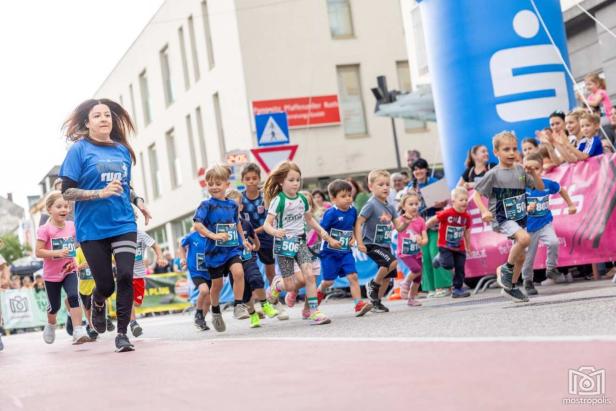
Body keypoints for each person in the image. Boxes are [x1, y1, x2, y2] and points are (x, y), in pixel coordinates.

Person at [60, 98, 151, 352]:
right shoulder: (79, 150)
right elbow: (66, 192)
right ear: (87, 123)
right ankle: (99, 299)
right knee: (106, 285)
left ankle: (122, 334)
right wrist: (98, 194)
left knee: (125, 275)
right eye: (97, 115)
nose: (104, 119)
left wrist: (138, 201)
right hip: (92, 229)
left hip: (123, 222)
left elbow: (125, 185)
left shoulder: (121, 150)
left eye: (107, 115)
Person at [473, 131, 544, 303]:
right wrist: (484, 211)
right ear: (496, 152)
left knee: (521, 255)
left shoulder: (521, 170)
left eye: (514, 149)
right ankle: (506, 269)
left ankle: (510, 286)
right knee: (525, 239)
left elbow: (540, 188)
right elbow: (476, 194)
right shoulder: (493, 174)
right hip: (501, 216)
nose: (512, 153)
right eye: (506, 149)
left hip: (519, 216)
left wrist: (533, 173)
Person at [263, 161, 332, 325]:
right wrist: (275, 232)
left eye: (298, 180)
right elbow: (266, 224)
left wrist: (321, 231)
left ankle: (314, 311)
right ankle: (276, 286)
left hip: (300, 242)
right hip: (284, 245)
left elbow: (309, 219)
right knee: (292, 284)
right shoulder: (278, 200)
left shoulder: (302, 199)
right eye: (291, 180)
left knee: (309, 275)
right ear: (281, 181)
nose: (295, 183)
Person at [193, 164, 250, 332]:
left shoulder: (232, 205)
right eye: (210, 184)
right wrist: (214, 236)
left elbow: (237, 222)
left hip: (232, 248)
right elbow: (197, 225)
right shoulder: (206, 205)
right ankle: (215, 310)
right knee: (216, 285)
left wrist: (243, 239)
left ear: (227, 184)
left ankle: (238, 305)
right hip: (214, 252)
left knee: (239, 272)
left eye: (218, 183)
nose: (214, 187)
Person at [35, 191, 90, 345]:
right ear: (49, 209)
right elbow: (38, 252)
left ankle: (78, 330)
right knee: (55, 306)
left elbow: (79, 242)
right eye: (59, 206)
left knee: (73, 295)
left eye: (66, 206)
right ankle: (51, 325)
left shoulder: (72, 226)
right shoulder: (45, 230)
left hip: (69, 269)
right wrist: (56, 252)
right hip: (51, 275)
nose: (63, 209)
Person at [521, 153, 577, 295]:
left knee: (553, 242)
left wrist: (570, 204)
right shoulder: (521, 186)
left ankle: (551, 269)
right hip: (528, 227)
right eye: (529, 169)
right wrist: (526, 209)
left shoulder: (547, 183)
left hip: (545, 222)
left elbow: (561, 190)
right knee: (529, 256)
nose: (533, 172)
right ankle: (528, 281)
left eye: (536, 168)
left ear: (541, 169)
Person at [240, 163, 289, 321]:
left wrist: (259, 231)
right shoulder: (239, 198)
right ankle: (252, 308)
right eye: (247, 179)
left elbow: (272, 217)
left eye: (254, 178)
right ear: (242, 180)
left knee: (271, 271)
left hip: (266, 235)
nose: (251, 181)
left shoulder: (265, 196)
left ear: (259, 179)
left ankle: (275, 301)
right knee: (249, 273)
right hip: (247, 239)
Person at [316, 180, 372, 316]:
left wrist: (354, 238)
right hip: (329, 253)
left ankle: (358, 305)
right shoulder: (330, 214)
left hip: (345, 252)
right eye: (343, 196)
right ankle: (312, 303)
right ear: (333, 198)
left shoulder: (352, 210)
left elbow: (353, 226)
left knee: (353, 276)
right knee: (328, 282)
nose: (348, 198)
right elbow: (320, 231)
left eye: (349, 195)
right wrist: (331, 240)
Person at [355, 169, 408, 312]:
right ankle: (372, 284)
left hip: (384, 243)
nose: (385, 187)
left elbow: (399, 227)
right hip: (371, 243)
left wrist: (407, 220)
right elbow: (358, 222)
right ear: (371, 186)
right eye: (380, 185)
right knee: (392, 262)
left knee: (387, 277)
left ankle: (376, 302)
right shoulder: (371, 204)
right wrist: (359, 242)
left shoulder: (390, 207)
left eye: (387, 184)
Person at [226, 189, 279, 328]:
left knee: (256, 278)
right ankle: (253, 314)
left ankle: (265, 304)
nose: (234, 208)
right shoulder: (223, 226)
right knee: (245, 293)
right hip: (233, 262)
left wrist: (254, 246)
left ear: (241, 207)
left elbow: (255, 241)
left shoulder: (246, 224)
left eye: (237, 205)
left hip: (248, 257)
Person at [409, 158, 450, 298]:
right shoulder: (411, 186)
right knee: (424, 257)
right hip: (418, 226)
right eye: (415, 169)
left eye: (420, 168)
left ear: (426, 169)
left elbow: (444, 202)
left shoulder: (434, 182)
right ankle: (431, 287)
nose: (418, 171)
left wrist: (432, 202)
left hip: (435, 224)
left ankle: (443, 286)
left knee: (435, 253)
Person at [427, 187, 472, 298]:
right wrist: (423, 229)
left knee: (460, 268)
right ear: (453, 201)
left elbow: (467, 231)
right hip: (445, 245)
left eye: (466, 200)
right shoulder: (447, 213)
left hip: (459, 247)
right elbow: (433, 220)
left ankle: (457, 289)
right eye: (461, 200)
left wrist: (468, 246)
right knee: (448, 265)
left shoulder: (467, 216)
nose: (464, 202)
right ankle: (439, 258)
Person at [129, 215, 166, 338]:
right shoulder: (118, 235)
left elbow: (156, 246)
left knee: (137, 302)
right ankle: (133, 322)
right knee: (127, 299)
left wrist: (160, 257)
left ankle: (128, 314)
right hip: (125, 273)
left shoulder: (141, 234)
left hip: (139, 274)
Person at [396, 192, 428, 306]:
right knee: (416, 269)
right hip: (405, 252)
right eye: (411, 204)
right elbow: (395, 228)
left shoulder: (421, 221)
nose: (414, 206)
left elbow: (425, 240)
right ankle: (405, 283)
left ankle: (411, 299)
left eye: (416, 204)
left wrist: (421, 241)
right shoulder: (400, 219)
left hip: (417, 252)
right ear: (404, 206)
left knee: (418, 278)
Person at [179, 230, 212, 331]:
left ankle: (201, 320)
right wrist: (183, 259)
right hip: (195, 271)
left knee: (208, 300)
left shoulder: (212, 235)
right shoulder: (192, 236)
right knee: (204, 290)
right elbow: (181, 245)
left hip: (209, 271)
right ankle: (198, 313)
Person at [75, 246, 99, 339]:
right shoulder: (77, 251)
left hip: (95, 284)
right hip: (83, 287)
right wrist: (83, 265)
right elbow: (76, 267)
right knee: (87, 309)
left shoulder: (94, 248)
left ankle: (102, 321)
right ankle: (91, 326)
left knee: (98, 303)